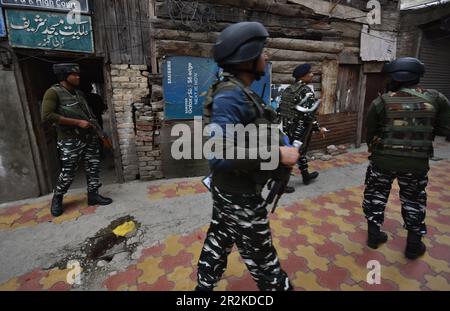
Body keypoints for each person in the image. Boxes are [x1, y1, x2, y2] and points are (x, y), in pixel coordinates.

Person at [196, 22, 299, 291]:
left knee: (220, 235)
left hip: (231, 190)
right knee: (264, 262)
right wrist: (278, 153)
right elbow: (219, 153)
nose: (266, 57)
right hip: (239, 194)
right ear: (248, 58)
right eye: (263, 52)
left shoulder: (241, 91)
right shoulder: (230, 96)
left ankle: (203, 288)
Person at [363, 57, 450, 260]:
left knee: (375, 196)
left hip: (382, 161)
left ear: (394, 77)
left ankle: (374, 237)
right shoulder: (435, 98)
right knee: (413, 200)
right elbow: (446, 128)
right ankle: (413, 246)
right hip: (416, 163)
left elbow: (370, 133)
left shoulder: (381, 101)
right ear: (417, 76)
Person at [41, 63, 113, 217]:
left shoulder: (79, 94)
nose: (78, 77)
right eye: (74, 74)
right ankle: (58, 198)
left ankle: (93, 195)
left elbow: (89, 115)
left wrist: (99, 132)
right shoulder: (53, 92)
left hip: (89, 137)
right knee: (69, 171)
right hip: (70, 139)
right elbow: (47, 116)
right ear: (64, 76)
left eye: (78, 74)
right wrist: (77, 123)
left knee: (93, 166)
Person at [278, 64, 324, 188]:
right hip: (300, 127)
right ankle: (282, 184)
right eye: (310, 73)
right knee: (294, 152)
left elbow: (281, 108)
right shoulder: (306, 91)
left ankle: (305, 175)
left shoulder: (289, 89)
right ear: (303, 76)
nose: (312, 74)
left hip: (287, 125)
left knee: (298, 151)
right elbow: (309, 114)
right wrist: (317, 127)